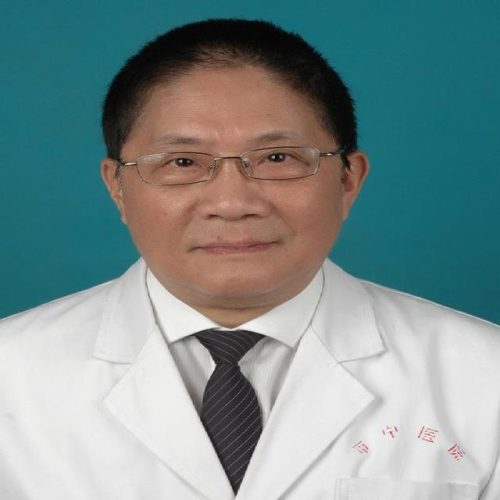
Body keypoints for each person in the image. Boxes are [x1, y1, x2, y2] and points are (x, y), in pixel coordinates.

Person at [0, 18, 498, 500]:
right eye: (182, 162)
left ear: (349, 180)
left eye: (278, 158)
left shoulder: (483, 376)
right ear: (117, 188)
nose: (232, 203)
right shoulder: (11, 374)